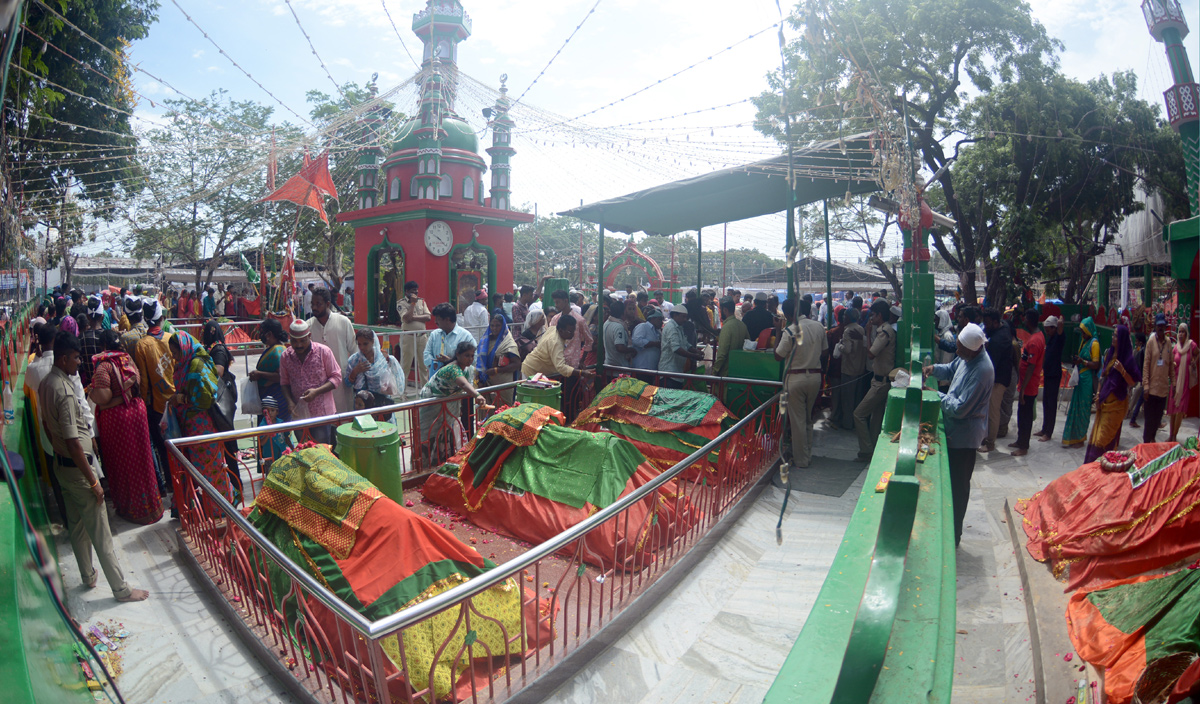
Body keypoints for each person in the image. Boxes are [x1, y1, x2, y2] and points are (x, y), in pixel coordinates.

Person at [40, 332, 149, 602]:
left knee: (77, 527)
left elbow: (47, 426)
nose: (79, 363)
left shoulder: (46, 383)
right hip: (78, 471)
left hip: (62, 468)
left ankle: (88, 576)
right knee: (101, 534)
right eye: (76, 358)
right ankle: (121, 590)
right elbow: (73, 442)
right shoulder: (64, 391)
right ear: (64, 358)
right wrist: (93, 482)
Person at [923, 323, 993, 547]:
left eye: (961, 349)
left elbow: (961, 409)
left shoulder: (982, 371)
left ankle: (954, 535)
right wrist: (933, 369)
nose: (958, 352)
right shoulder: (967, 356)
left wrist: (936, 395)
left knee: (958, 487)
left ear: (973, 349)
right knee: (949, 484)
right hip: (953, 430)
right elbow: (952, 367)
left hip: (964, 437)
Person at [88, 329, 164, 525]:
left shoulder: (104, 366)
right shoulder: (126, 359)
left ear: (103, 346)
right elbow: (135, 384)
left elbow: (104, 396)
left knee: (124, 463)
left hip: (118, 420)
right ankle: (151, 505)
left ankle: (132, 508)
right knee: (142, 458)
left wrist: (100, 400)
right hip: (137, 413)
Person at [168, 331, 235, 508]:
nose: (175, 357)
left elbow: (204, 399)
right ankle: (206, 506)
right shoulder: (185, 364)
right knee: (200, 468)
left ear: (185, 348)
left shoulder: (197, 365)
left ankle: (221, 508)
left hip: (201, 425)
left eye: (176, 353)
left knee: (210, 468)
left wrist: (180, 399)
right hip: (190, 425)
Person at [420, 340, 492, 466]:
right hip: (432, 403)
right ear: (458, 355)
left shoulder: (467, 369)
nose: (470, 359)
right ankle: (425, 465)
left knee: (445, 433)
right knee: (429, 434)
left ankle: (441, 462)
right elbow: (464, 384)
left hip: (446, 405)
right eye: (466, 355)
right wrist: (477, 395)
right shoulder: (453, 368)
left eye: (472, 355)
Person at [775, 298, 828, 469]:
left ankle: (801, 460)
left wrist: (778, 330)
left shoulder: (789, 330)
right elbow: (825, 351)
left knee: (797, 421)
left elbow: (778, 355)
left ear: (789, 314)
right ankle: (807, 454)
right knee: (807, 418)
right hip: (815, 377)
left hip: (795, 378)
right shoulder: (818, 326)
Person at [280, 319, 342, 447]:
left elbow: (336, 377)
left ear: (309, 336)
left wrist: (317, 392)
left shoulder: (323, 352)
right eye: (294, 341)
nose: (298, 345)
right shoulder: (286, 356)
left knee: (322, 452)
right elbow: (284, 382)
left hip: (321, 414)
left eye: (302, 341)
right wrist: (290, 402)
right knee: (304, 450)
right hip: (299, 413)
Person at [1084, 325, 1141, 463]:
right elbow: (1103, 376)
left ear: (1121, 339)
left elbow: (1133, 382)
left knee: (1104, 438)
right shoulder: (1110, 354)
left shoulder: (1127, 359)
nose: (1112, 337)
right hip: (1104, 402)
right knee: (1096, 436)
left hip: (1117, 405)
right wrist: (1098, 394)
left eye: (1115, 335)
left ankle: (1103, 468)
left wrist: (1122, 371)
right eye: (1113, 334)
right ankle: (1091, 468)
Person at [133, 300, 173, 494]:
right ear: (161, 318)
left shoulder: (142, 345)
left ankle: (172, 486)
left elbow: (144, 383)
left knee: (163, 448)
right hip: (177, 400)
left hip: (157, 406)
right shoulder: (171, 338)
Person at [201, 320, 242, 499]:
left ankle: (237, 486)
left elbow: (218, 370)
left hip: (222, 401)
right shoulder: (212, 347)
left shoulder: (218, 350)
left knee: (227, 442)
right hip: (219, 400)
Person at [853, 299, 896, 460]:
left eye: (873, 315)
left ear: (879, 315)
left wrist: (868, 334)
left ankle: (866, 450)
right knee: (876, 419)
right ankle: (872, 449)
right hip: (881, 380)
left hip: (881, 382)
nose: (871, 318)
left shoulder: (884, 331)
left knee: (859, 414)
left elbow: (871, 353)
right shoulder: (885, 329)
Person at [308, 288, 357, 414]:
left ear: (328, 304)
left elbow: (354, 350)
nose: (314, 307)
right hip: (318, 383)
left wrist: (354, 375)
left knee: (344, 415)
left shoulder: (343, 321)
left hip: (342, 380)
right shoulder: (308, 326)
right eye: (312, 304)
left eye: (318, 304)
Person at [1009, 309, 1045, 456]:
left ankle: (1023, 446)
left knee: (1025, 416)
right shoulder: (1037, 336)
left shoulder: (1036, 341)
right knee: (1021, 413)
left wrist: (1023, 389)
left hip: (1029, 386)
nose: (1023, 321)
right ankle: (1020, 440)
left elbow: (1031, 366)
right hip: (1025, 383)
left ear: (1029, 320)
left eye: (1025, 319)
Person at [1062, 317, 1102, 448]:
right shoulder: (1084, 342)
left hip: (1087, 381)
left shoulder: (1094, 343)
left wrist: (1083, 362)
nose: (1083, 335)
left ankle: (1080, 437)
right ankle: (1073, 437)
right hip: (1080, 379)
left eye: (1084, 332)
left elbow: (1096, 364)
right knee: (1076, 407)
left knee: (1084, 410)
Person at [522, 314, 597, 383]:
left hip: (533, 368)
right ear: (561, 330)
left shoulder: (553, 328)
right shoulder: (556, 342)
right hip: (532, 371)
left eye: (574, 330)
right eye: (570, 331)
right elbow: (561, 367)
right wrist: (582, 373)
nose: (573, 334)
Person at [979, 308, 1013, 453]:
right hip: (1002, 376)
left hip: (999, 379)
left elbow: (990, 366)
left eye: (987, 323)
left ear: (995, 322)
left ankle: (990, 442)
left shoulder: (997, 342)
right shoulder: (1004, 326)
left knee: (993, 411)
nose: (985, 327)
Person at [346, 328, 404, 410]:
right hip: (362, 406)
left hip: (382, 404)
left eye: (365, 344)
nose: (362, 347)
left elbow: (393, 381)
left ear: (373, 341)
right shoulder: (354, 360)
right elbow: (347, 383)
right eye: (359, 344)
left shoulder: (383, 358)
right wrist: (355, 371)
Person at [1140, 314, 1175, 444]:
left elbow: (1171, 365)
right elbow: (1146, 365)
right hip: (1151, 389)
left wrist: (1174, 383)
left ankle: (1152, 442)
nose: (1161, 328)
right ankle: (1146, 444)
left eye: (1163, 326)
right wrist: (1146, 386)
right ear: (1155, 327)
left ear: (1165, 326)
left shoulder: (1169, 343)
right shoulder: (1150, 342)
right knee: (1149, 420)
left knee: (1157, 419)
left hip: (1163, 389)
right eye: (1158, 325)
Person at [248, 318, 290, 422]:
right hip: (268, 398)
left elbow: (281, 376)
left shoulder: (277, 351)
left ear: (269, 334)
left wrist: (260, 374)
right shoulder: (275, 348)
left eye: (262, 332)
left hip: (275, 399)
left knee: (275, 434)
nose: (260, 334)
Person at [475, 313, 520, 404]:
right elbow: (479, 360)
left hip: (502, 383)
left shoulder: (508, 342)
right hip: (485, 381)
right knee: (485, 410)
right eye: (492, 325)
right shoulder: (485, 340)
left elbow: (517, 364)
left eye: (497, 325)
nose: (494, 328)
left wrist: (496, 370)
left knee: (503, 410)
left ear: (503, 326)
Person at [397, 281, 431, 397]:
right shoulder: (401, 303)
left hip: (422, 337)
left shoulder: (422, 301)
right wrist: (412, 304)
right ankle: (402, 392)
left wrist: (414, 317)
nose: (415, 293)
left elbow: (428, 317)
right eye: (412, 291)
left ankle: (425, 390)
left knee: (424, 365)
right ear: (407, 292)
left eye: (416, 290)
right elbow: (406, 318)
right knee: (405, 365)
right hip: (409, 337)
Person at [424, 303, 477, 377]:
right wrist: (434, 364)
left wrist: (450, 361)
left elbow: (473, 360)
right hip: (437, 379)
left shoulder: (466, 336)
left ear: (447, 320)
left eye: (438, 319)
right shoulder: (434, 335)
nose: (435, 322)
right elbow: (426, 354)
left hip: (457, 380)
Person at [1034, 316, 1064, 442]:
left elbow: (1061, 324)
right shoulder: (1051, 339)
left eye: (1048, 330)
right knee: (1046, 402)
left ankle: (1048, 432)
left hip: (1054, 375)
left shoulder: (1059, 338)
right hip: (1048, 374)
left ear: (1054, 328)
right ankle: (1044, 428)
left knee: (1051, 404)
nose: (1047, 332)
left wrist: (1059, 323)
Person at [547, 289, 592, 370]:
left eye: (558, 302)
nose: (556, 305)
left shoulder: (579, 320)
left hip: (573, 363)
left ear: (566, 300)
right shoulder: (555, 319)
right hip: (556, 362)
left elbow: (589, 340)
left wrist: (582, 360)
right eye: (555, 302)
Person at [658, 306, 703, 389]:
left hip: (677, 372)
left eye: (686, 317)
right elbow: (676, 349)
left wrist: (696, 351)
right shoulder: (671, 327)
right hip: (669, 372)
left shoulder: (679, 327)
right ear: (675, 315)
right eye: (683, 317)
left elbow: (686, 344)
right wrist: (693, 356)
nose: (685, 319)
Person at [1168, 323, 1197, 442]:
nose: (1180, 334)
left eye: (1182, 332)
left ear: (1186, 333)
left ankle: (1175, 435)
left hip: (1185, 383)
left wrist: (1195, 362)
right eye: (1179, 331)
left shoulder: (1191, 345)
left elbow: (1198, 353)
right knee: (1173, 410)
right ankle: (1170, 435)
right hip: (1175, 383)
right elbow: (1171, 361)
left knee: (1180, 410)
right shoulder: (1175, 348)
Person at [713, 297, 748, 377]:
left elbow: (722, 354)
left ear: (725, 310)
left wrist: (714, 371)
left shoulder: (726, 327)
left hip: (725, 374)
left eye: (721, 310)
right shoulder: (742, 325)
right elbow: (748, 345)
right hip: (738, 371)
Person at [602, 299, 636, 373]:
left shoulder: (607, 322)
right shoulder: (618, 326)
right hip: (618, 369)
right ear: (623, 312)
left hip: (610, 365)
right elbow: (619, 347)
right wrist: (632, 350)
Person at [79, 296, 106, 387]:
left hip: (88, 388)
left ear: (88, 317)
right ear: (102, 316)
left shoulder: (81, 338)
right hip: (107, 388)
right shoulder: (108, 337)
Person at [631, 310, 663, 379]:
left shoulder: (658, 331)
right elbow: (636, 340)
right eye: (660, 319)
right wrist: (654, 344)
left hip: (652, 369)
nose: (661, 322)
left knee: (649, 389)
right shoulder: (643, 326)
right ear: (653, 319)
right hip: (641, 368)